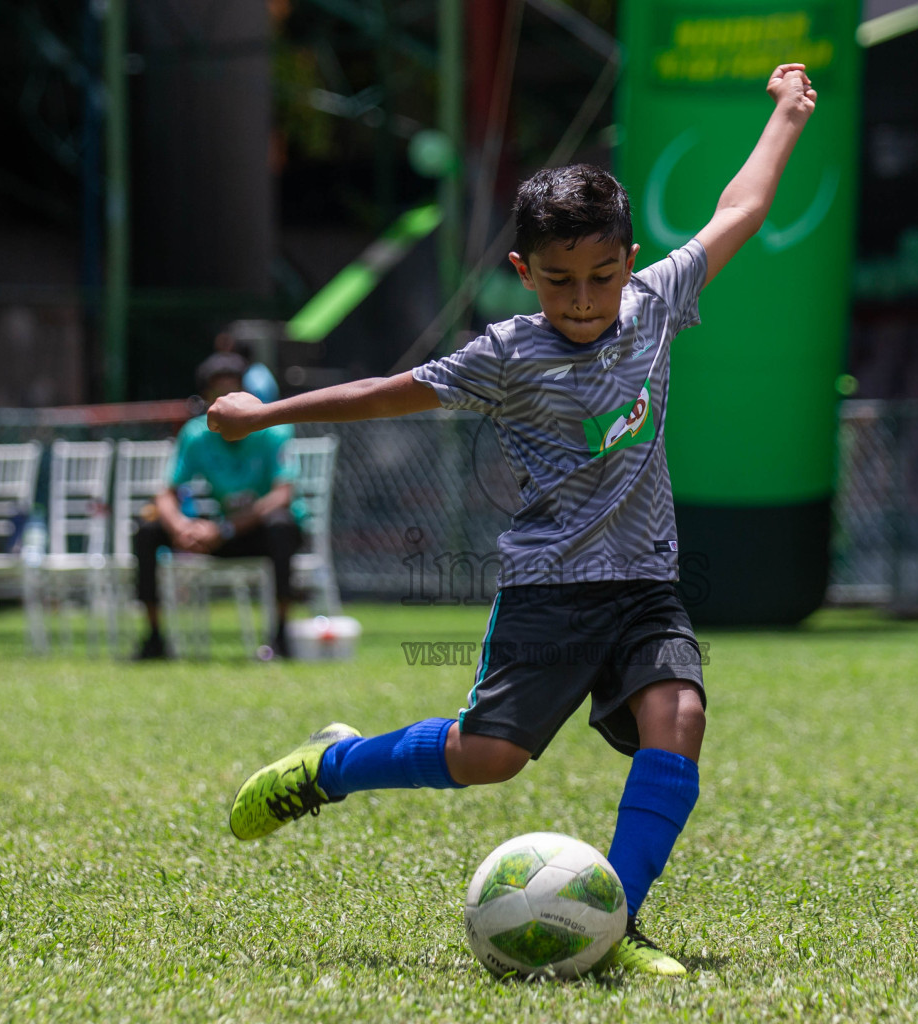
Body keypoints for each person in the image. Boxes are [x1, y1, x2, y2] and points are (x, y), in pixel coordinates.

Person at [211, 64, 818, 975]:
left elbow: (738, 212)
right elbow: (385, 395)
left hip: (647, 586)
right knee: (489, 757)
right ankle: (329, 768)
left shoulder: (656, 306)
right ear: (523, 272)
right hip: (549, 589)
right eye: (560, 281)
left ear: (629, 260)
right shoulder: (505, 354)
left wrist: (786, 114)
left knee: (678, 714)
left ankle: (615, 926)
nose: (582, 301)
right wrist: (264, 415)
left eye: (602, 276)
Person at [132, 352, 305, 660]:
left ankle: (280, 638)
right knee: (147, 530)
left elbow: (281, 495)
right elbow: (165, 493)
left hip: (254, 533)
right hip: (218, 532)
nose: (227, 400)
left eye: (233, 391)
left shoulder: (275, 430)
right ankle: (154, 638)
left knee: (282, 526)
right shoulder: (196, 434)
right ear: (206, 399)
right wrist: (182, 527)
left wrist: (224, 528)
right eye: (218, 393)